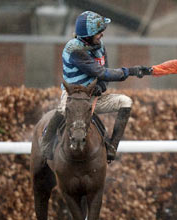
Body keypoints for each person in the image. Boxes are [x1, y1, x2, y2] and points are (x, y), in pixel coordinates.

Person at [41, 11, 146, 162]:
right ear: (87, 35)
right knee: (63, 109)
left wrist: (101, 87)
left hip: (92, 97)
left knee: (126, 102)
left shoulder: (100, 46)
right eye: (98, 32)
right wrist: (130, 71)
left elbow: (104, 75)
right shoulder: (74, 50)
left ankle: (112, 147)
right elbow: (101, 72)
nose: (102, 34)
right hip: (73, 96)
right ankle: (45, 143)